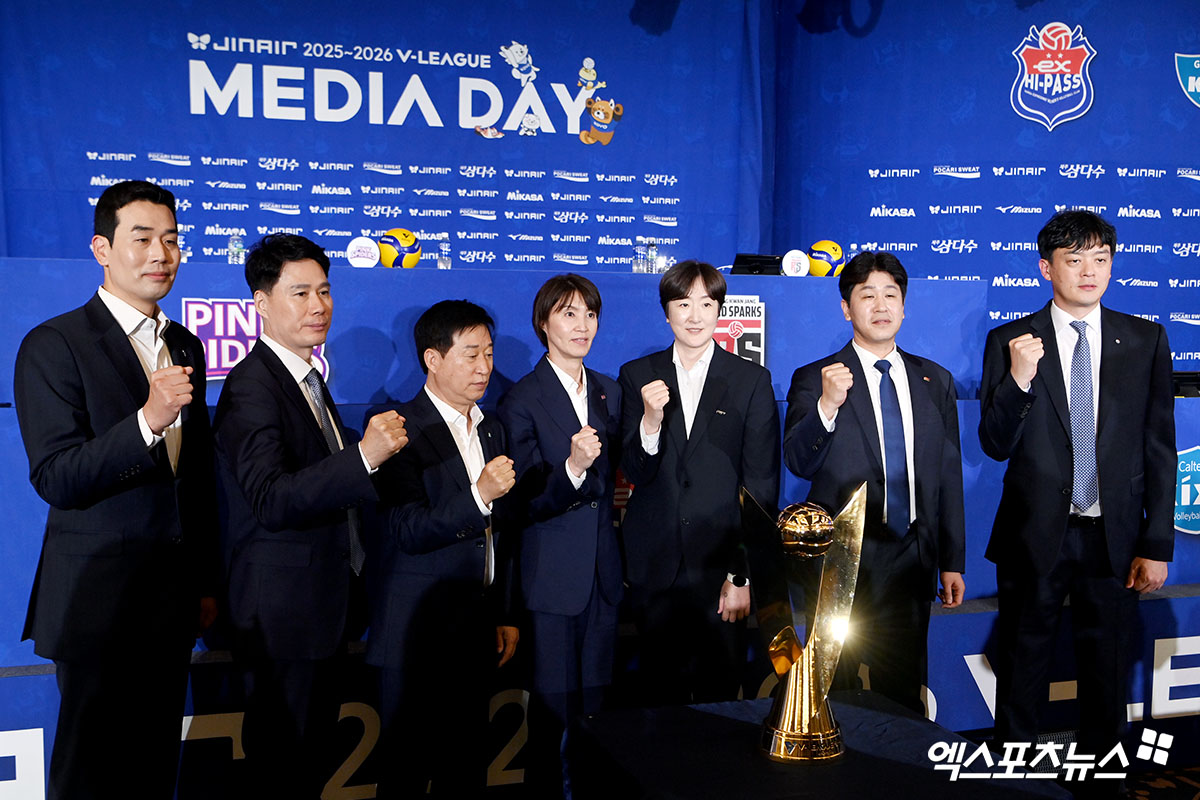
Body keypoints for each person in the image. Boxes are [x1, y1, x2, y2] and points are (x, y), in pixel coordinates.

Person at [13, 179, 218, 799]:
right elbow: (57, 476)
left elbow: (194, 478)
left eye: (172, 240)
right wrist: (146, 421)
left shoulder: (184, 344)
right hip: (97, 606)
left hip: (171, 604)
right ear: (102, 249)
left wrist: (205, 580)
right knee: (91, 780)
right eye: (143, 239)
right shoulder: (55, 344)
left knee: (153, 776)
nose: (161, 254)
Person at [212, 233, 408, 797]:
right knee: (285, 770)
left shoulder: (307, 379)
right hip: (281, 616)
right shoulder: (253, 385)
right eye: (299, 293)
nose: (318, 305)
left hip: (320, 609)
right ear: (261, 302)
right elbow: (272, 498)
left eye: (324, 291)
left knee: (309, 767)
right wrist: (363, 457)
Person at [979, 210, 1174, 774]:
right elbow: (994, 443)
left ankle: (1103, 783)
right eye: (1074, 259)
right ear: (1047, 268)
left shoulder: (1145, 339)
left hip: (1115, 537)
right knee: (1021, 673)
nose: (1089, 271)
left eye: (1100, 259)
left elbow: (1160, 448)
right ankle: (1014, 781)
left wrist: (1156, 542)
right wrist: (1019, 379)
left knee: (1107, 675)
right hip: (1033, 536)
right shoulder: (1010, 340)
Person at [782, 251, 965, 715]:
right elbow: (799, 462)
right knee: (834, 691)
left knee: (903, 693)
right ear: (847, 308)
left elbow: (947, 475)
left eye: (891, 295)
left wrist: (951, 560)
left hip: (910, 559)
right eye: (867, 296)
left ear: (904, 306)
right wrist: (827, 405)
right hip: (839, 562)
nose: (881, 306)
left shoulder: (934, 380)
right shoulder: (815, 378)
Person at [368, 300, 519, 797]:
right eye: (470, 354)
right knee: (406, 775)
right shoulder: (396, 428)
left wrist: (502, 611)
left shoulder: (492, 427)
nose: (484, 367)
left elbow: (498, 535)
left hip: (475, 628)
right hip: (417, 633)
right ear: (432, 359)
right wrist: (479, 495)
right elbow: (407, 530)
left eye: (489, 353)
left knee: (467, 771)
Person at [618, 260, 779, 705]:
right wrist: (650, 422)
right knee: (658, 701)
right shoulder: (637, 375)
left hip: (720, 569)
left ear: (719, 310)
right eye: (683, 304)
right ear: (666, 311)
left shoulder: (750, 380)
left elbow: (761, 485)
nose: (695, 316)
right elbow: (635, 471)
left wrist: (741, 574)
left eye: (707, 304)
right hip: (656, 568)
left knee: (720, 699)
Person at [497, 275, 623, 797]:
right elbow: (523, 503)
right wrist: (571, 468)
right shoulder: (521, 400)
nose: (582, 325)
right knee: (551, 721)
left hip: (603, 577)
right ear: (543, 323)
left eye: (590, 314)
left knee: (598, 719)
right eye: (569, 314)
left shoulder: (609, 390)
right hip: (550, 581)